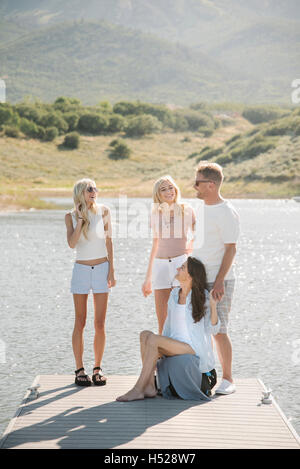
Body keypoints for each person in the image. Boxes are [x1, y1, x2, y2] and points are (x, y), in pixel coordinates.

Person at [116, 257, 220, 402]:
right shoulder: (174, 294)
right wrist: (158, 346)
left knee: (153, 339)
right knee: (145, 335)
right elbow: (168, 326)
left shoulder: (202, 296)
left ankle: (138, 389)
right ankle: (150, 386)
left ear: (190, 275)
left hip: (192, 349)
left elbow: (214, 329)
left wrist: (214, 306)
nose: (178, 269)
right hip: (175, 344)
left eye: (182, 267)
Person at [192, 161, 240, 395]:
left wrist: (219, 280)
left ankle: (228, 379)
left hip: (218, 280)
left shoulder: (227, 212)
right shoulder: (201, 208)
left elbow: (231, 249)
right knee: (201, 329)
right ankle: (207, 375)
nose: (194, 187)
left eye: (198, 182)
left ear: (211, 184)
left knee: (219, 330)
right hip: (198, 278)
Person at [65, 178, 116, 387]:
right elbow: (72, 243)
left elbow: (109, 241)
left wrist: (112, 269)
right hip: (81, 270)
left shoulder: (104, 211)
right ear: (80, 193)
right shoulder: (69, 216)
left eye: (95, 188)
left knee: (100, 323)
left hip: (102, 268)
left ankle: (97, 368)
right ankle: (79, 369)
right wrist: (79, 219)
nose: (94, 192)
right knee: (80, 321)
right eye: (89, 190)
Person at [142, 175, 196, 334]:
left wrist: (190, 249)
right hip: (160, 265)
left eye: (170, 187)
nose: (168, 191)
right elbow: (155, 244)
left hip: (181, 265)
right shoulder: (155, 213)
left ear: (176, 189)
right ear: (157, 194)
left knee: (181, 317)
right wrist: (147, 278)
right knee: (162, 321)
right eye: (163, 189)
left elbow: (199, 235)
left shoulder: (187, 209)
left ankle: (182, 354)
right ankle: (163, 357)